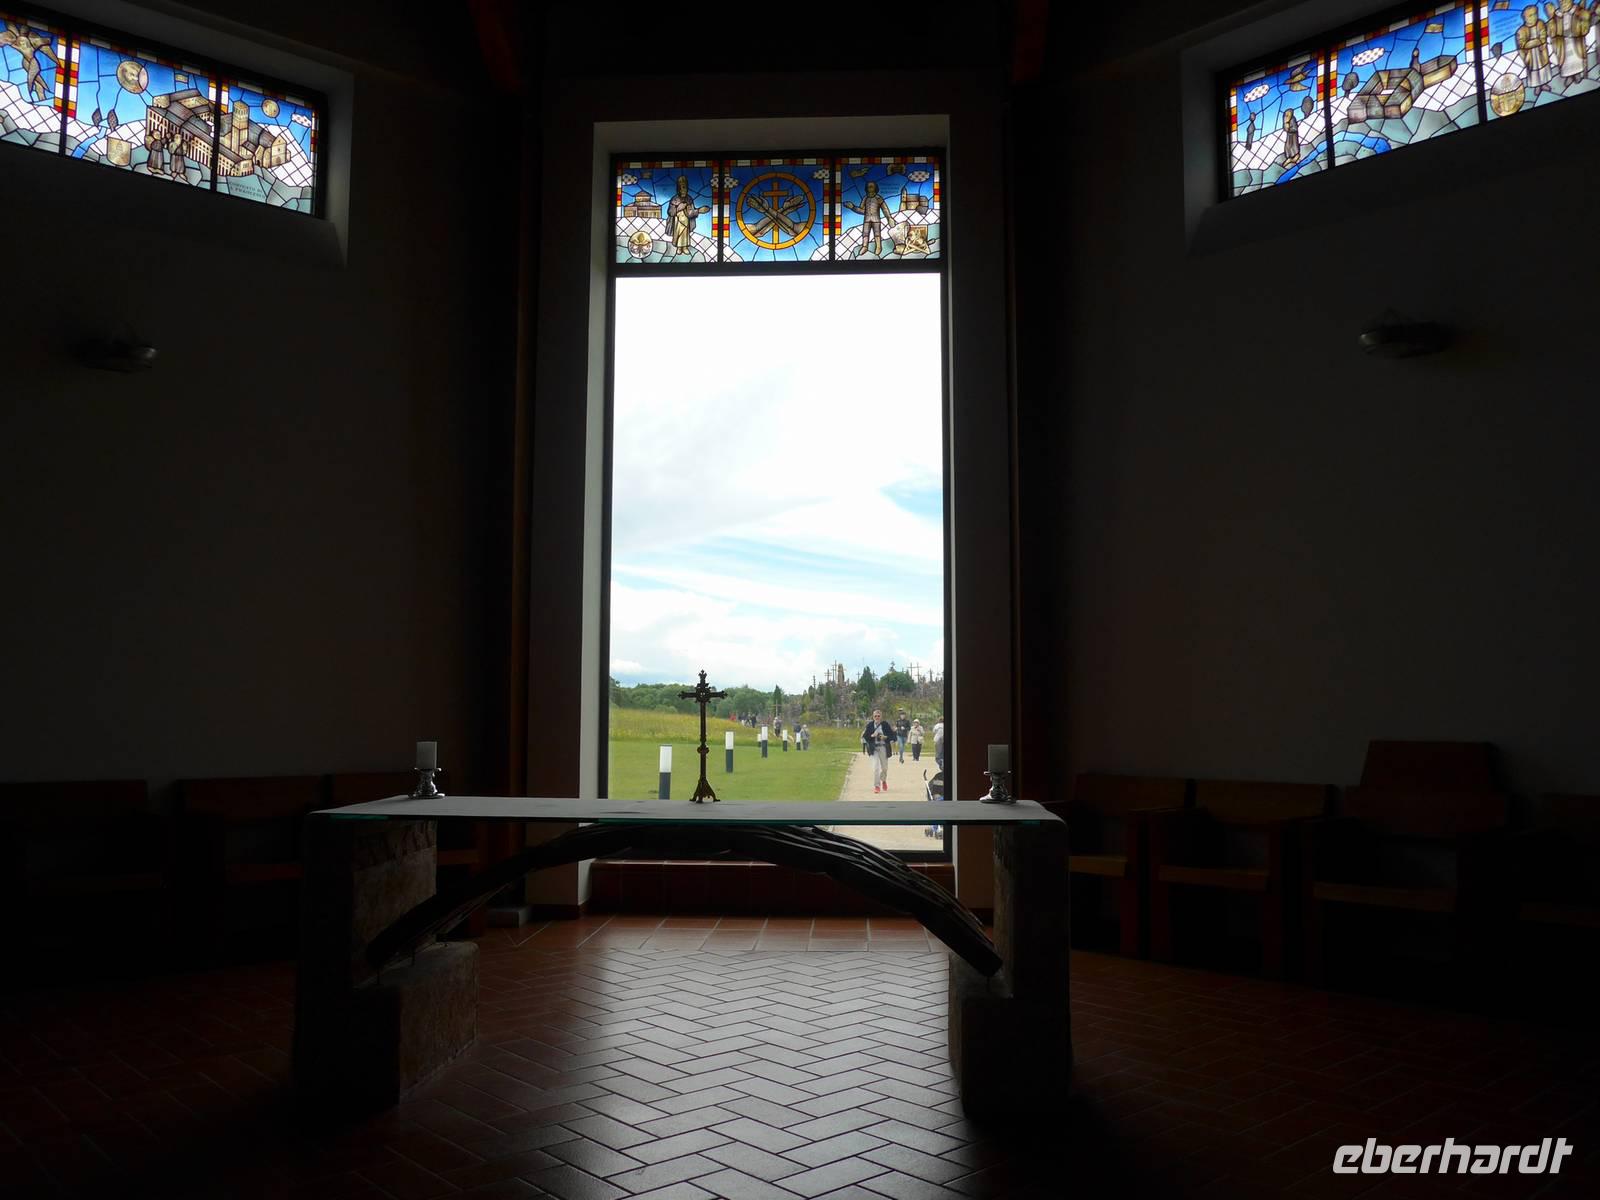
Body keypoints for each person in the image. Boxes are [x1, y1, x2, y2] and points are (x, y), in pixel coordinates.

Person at [862, 708, 895, 793]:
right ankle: (877, 786)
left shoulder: (885, 725)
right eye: (875, 716)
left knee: (884, 768)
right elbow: (865, 736)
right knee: (876, 768)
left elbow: (893, 736)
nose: (877, 717)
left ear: (881, 717)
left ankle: (883, 780)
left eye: (878, 716)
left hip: (883, 747)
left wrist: (886, 737)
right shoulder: (870, 725)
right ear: (873, 717)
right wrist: (872, 735)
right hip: (874, 748)